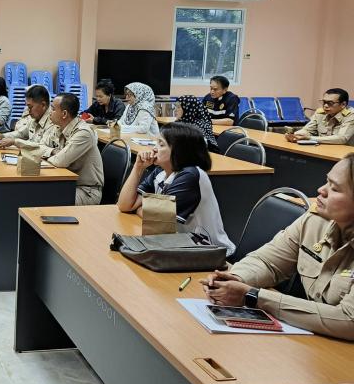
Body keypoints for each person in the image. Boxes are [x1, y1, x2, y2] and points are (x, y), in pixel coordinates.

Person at [201, 155, 354, 340]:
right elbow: (267, 261)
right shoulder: (315, 221)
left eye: (334, 188)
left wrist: (253, 296)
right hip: (318, 340)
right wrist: (235, 278)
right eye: (326, 182)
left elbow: (348, 320)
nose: (321, 190)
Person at [117, 122, 235, 256]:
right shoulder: (161, 172)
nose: (154, 149)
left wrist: (141, 208)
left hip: (209, 251)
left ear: (179, 150)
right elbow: (124, 205)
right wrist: (138, 168)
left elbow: (157, 219)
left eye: (161, 144)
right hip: (179, 245)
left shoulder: (190, 175)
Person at [39, 93, 104, 206]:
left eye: (53, 109)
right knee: (34, 192)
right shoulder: (58, 127)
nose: (49, 112)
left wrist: (50, 155)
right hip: (66, 183)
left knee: (42, 200)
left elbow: (60, 161)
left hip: (86, 191)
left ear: (64, 114)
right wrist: (53, 152)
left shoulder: (83, 133)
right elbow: (39, 147)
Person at [0, 85, 56, 150]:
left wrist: (14, 142)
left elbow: (41, 148)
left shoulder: (53, 121)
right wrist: (3, 136)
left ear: (43, 105)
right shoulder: (36, 117)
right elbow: (21, 133)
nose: (28, 110)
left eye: (30, 107)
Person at [286, 88, 354, 146]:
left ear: (343, 104)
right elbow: (308, 130)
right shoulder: (320, 113)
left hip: (346, 153)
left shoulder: (351, 115)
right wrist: (296, 135)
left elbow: (342, 138)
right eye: (324, 102)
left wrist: (310, 138)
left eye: (330, 103)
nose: (325, 106)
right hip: (322, 149)